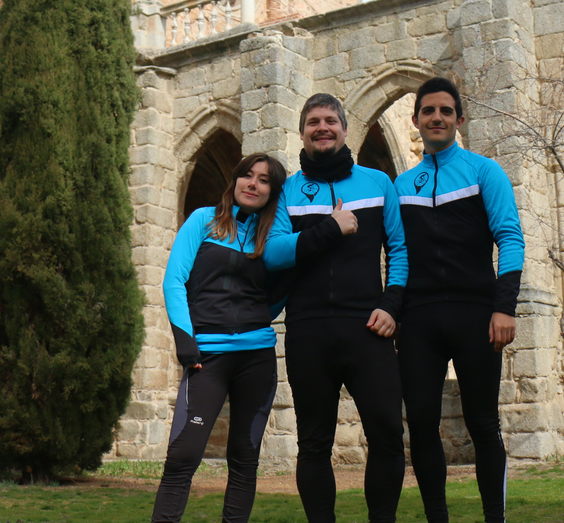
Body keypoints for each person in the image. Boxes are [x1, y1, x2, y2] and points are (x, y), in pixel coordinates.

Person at [264, 92, 408, 523]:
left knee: (386, 434)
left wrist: (393, 306)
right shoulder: (289, 189)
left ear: (345, 128)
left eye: (330, 120)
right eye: (313, 122)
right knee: (313, 444)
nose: (322, 127)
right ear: (303, 133)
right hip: (308, 331)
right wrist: (329, 227)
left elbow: (400, 250)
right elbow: (273, 253)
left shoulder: (378, 182)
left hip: (368, 328)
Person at [394, 77, 525, 523]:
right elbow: (395, 253)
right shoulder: (401, 185)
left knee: (484, 424)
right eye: (428, 111)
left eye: (445, 111)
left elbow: (510, 238)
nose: (436, 118)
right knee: (423, 426)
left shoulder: (484, 171)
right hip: (418, 322)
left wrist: (503, 307)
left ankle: (495, 518)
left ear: (459, 119)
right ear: (416, 121)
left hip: (476, 315)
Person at [152, 153, 288, 523]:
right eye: (247, 175)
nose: (252, 184)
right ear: (235, 180)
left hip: (257, 359)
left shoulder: (269, 239)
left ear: (271, 193)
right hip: (205, 357)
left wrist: (255, 321)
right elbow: (174, 280)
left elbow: (276, 296)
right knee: (183, 455)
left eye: (263, 180)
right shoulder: (203, 221)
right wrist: (185, 339)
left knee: (244, 461)